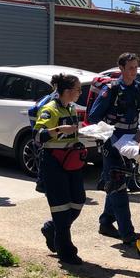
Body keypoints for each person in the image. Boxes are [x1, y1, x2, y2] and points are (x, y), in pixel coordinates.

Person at [88, 52, 140, 245]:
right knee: (117, 185)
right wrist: (110, 130)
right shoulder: (110, 90)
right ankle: (127, 233)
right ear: (121, 69)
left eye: (136, 67)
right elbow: (94, 116)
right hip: (113, 141)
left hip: (131, 140)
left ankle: (105, 222)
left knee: (117, 182)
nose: (134, 72)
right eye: (131, 68)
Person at [34, 74, 86, 265]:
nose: (80, 93)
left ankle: (51, 228)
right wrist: (58, 131)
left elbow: (73, 132)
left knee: (78, 200)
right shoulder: (50, 109)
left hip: (72, 161)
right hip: (54, 163)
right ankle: (66, 252)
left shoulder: (71, 108)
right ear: (67, 91)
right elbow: (38, 136)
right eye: (78, 89)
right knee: (61, 208)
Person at [28, 75, 60, 193]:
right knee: (44, 157)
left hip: (49, 131)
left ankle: (43, 182)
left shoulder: (52, 96)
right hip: (46, 131)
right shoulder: (52, 97)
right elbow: (37, 110)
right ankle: (41, 183)